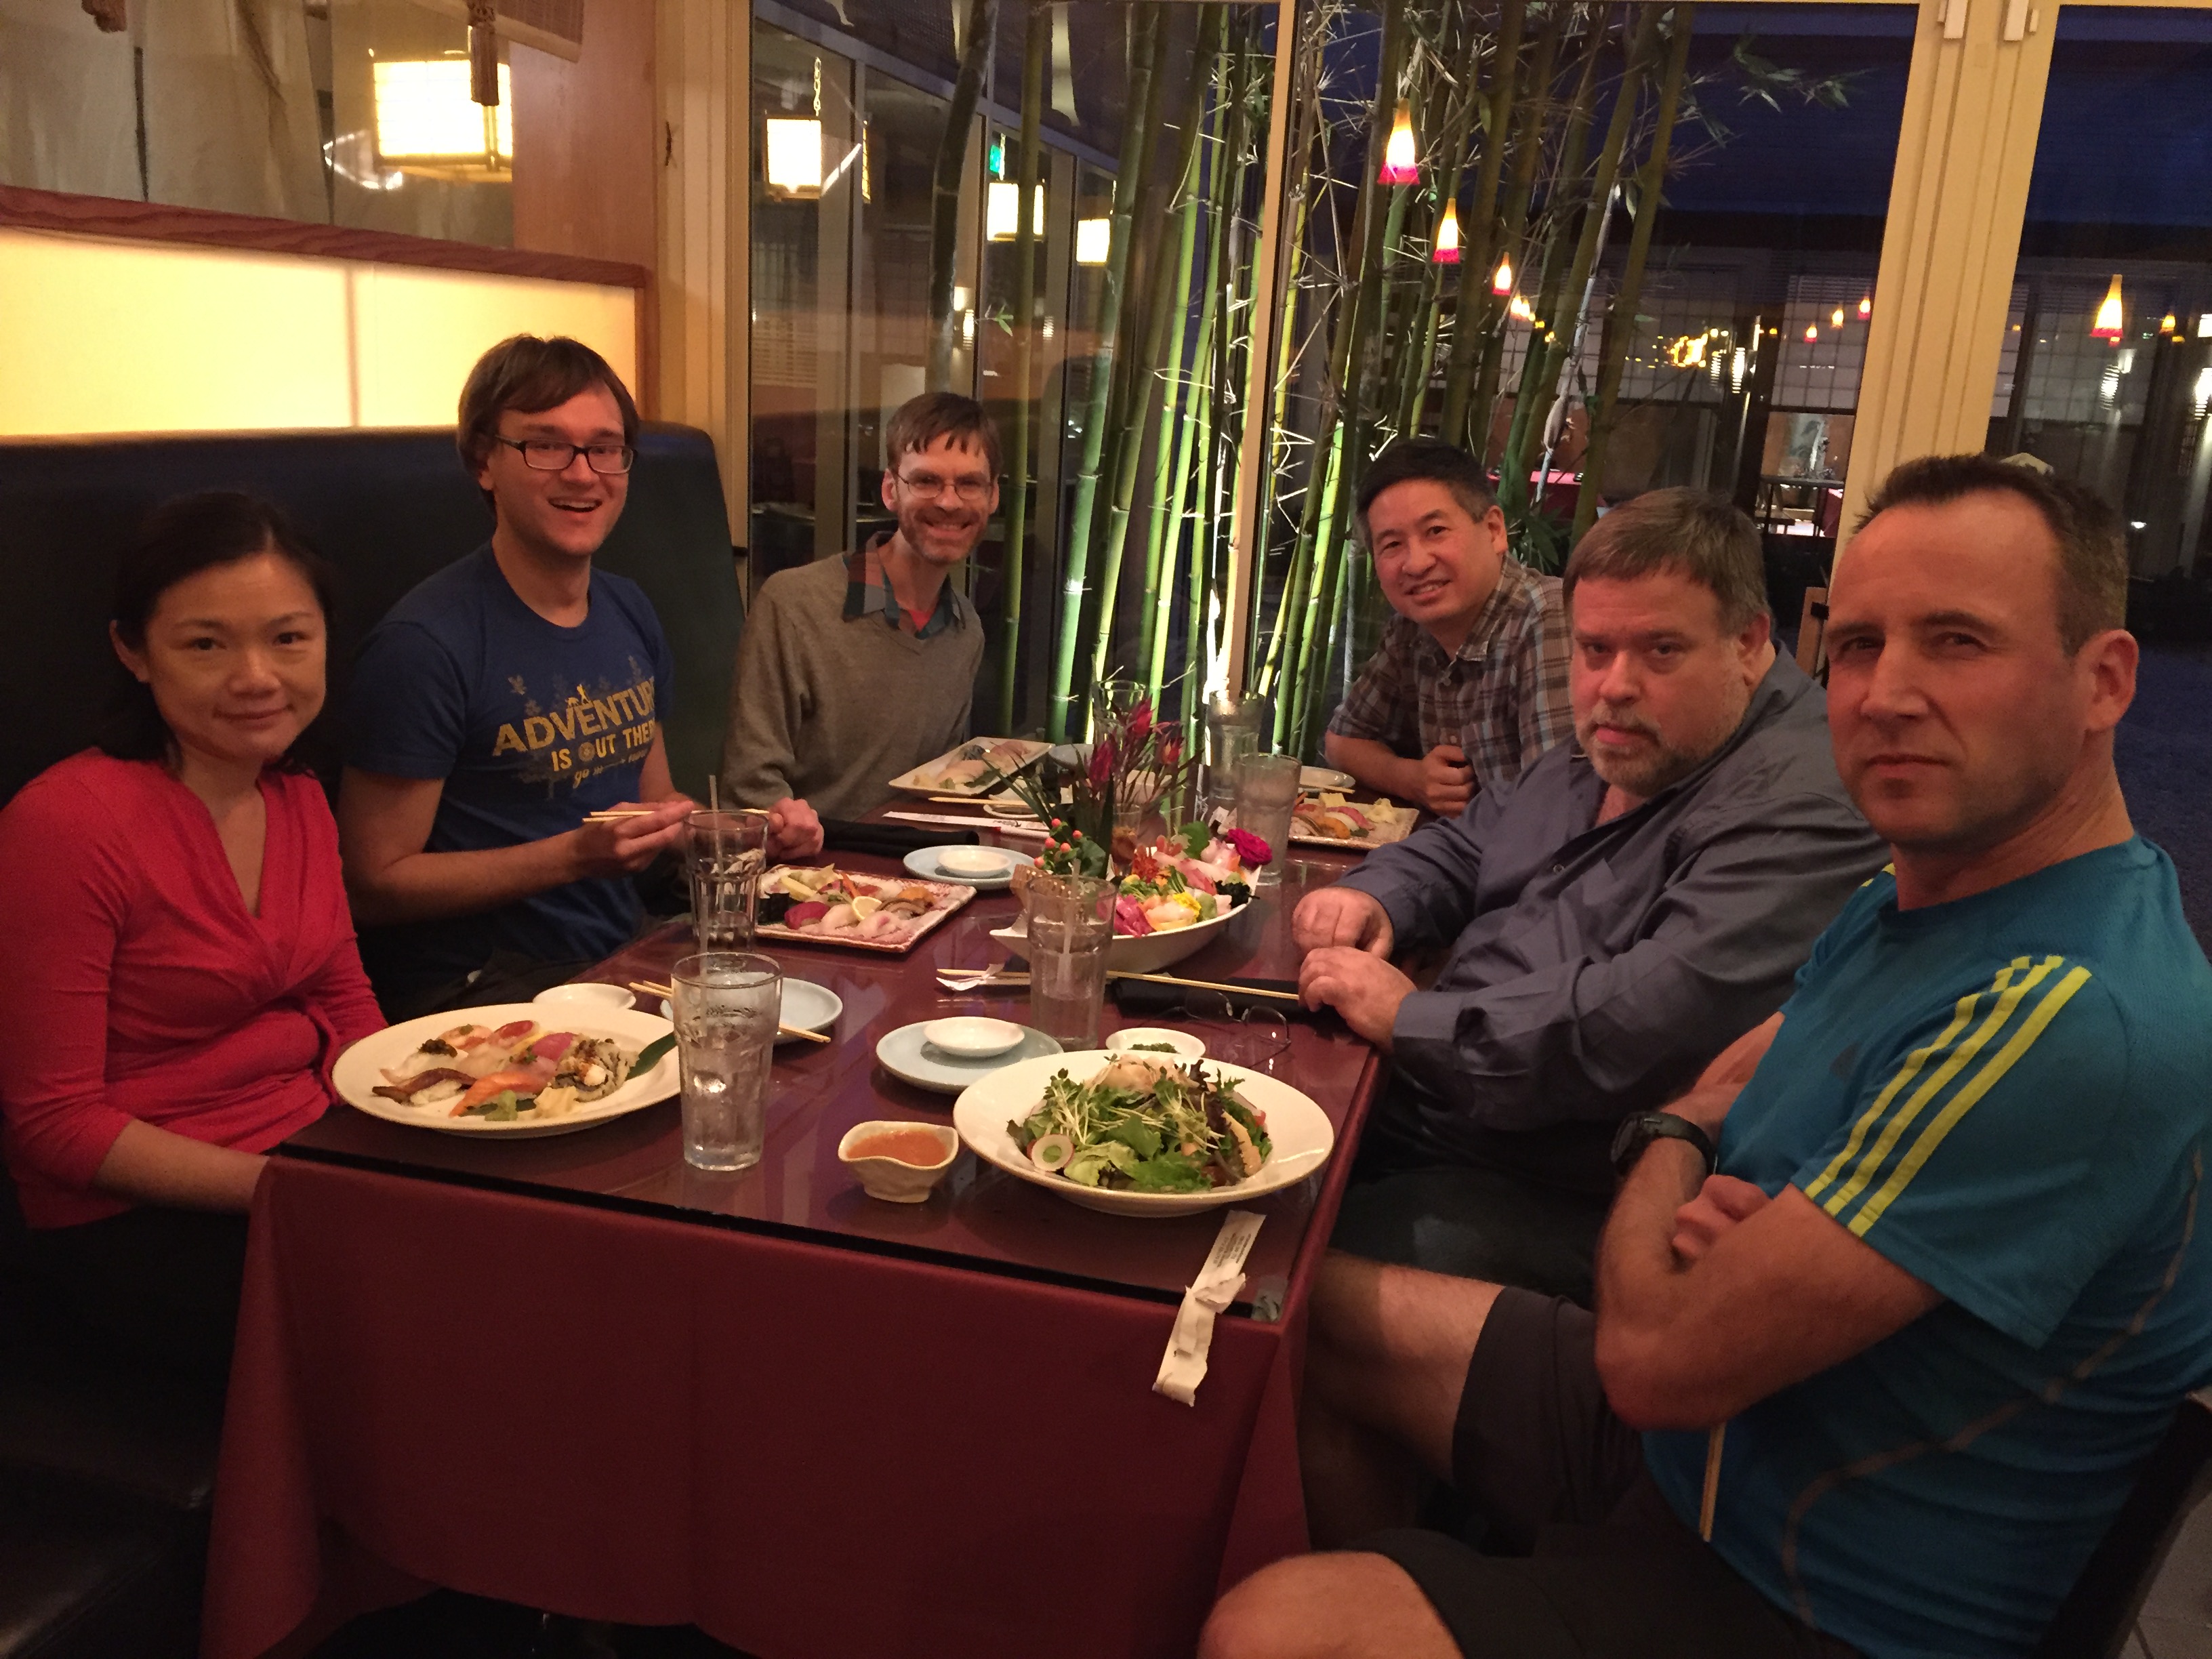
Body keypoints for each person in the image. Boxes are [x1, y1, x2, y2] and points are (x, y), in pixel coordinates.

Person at [1202, 455, 2212, 1659]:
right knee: (1293, 1316)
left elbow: (1653, 1346)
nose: (1885, 694)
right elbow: (1738, 1101)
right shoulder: (1910, 897)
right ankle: (1441, 1585)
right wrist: (1719, 1170)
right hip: (1718, 1442)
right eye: (1859, 645)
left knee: (1270, 1629)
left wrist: (1678, 1136)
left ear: (2103, 680)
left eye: (1957, 642)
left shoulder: (2063, 1011)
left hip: (1806, 1582)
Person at [1296, 489, 1885, 1300]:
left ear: (1749, 643)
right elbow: (1474, 839)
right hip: (1441, 1101)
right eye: (1595, 649)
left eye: (1662, 651)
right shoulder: (1631, 737)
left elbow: (1633, 1027)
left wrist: (1410, 1019)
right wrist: (1376, 896)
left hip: (1567, 1183)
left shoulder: (1802, 800)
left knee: (1262, 1260)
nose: (1615, 685)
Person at [0, 493, 386, 1389]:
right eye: (206, 645)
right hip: (133, 1219)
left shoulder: (296, 795)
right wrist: (289, 1191)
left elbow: (343, 999)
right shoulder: (64, 827)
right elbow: (55, 1125)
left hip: (308, 1154)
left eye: (288, 638)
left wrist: (413, 1128)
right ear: (134, 652)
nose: (257, 677)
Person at [338, 335, 821, 1019]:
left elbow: (657, 804)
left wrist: (749, 834)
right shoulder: (424, 645)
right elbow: (373, 885)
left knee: (812, 1011)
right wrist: (570, 856)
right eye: (546, 445)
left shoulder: (627, 607)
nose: (583, 474)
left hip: (621, 954)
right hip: (480, 993)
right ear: (483, 461)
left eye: (605, 448)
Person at [720, 392, 995, 821]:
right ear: (890, 490)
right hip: (810, 860)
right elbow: (748, 788)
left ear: (992, 497)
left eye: (970, 484)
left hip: (916, 860)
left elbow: (937, 788)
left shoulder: (966, 631)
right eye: (925, 481)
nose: (949, 502)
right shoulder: (794, 605)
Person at [1323, 441, 1572, 817]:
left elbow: (1557, 810)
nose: (1416, 563)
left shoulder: (1549, 620)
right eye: (1392, 544)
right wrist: (1412, 779)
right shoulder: (1410, 632)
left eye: (1436, 530)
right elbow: (1342, 741)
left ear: (1494, 530)